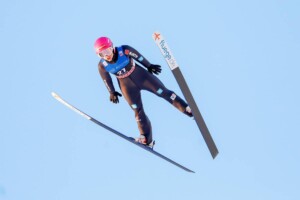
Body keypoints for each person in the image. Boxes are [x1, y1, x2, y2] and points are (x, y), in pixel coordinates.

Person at [95, 36, 193, 148]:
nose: (106, 55)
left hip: (141, 76)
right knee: (137, 110)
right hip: (126, 86)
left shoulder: (124, 50)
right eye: (102, 54)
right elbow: (106, 80)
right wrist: (111, 92)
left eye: (107, 50)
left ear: (112, 46)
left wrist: (149, 66)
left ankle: (187, 109)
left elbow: (139, 57)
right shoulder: (102, 65)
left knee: (162, 92)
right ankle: (147, 139)